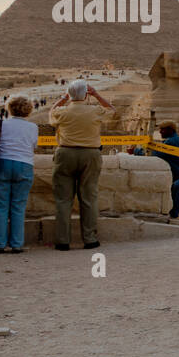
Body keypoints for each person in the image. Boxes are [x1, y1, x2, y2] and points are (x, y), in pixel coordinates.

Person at [49, 79, 114, 250]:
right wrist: (97, 95)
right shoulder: (95, 111)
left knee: (63, 200)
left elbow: (51, 111)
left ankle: (63, 241)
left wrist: (64, 98)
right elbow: (112, 111)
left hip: (65, 153)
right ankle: (90, 239)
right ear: (86, 94)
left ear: (69, 94)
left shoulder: (62, 112)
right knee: (89, 198)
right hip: (90, 155)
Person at [0, 95, 39, 253]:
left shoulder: (0, 123)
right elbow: (33, 145)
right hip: (24, 165)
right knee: (18, 206)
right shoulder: (33, 127)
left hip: (2, 164)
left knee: (0, 207)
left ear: (9, 108)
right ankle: (17, 244)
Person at [149, 122, 179, 227]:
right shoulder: (170, 140)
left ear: (171, 130)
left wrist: (140, 151)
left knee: (177, 186)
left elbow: (158, 153)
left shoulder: (173, 141)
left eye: (163, 129)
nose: (160, 132)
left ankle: (174, 213)